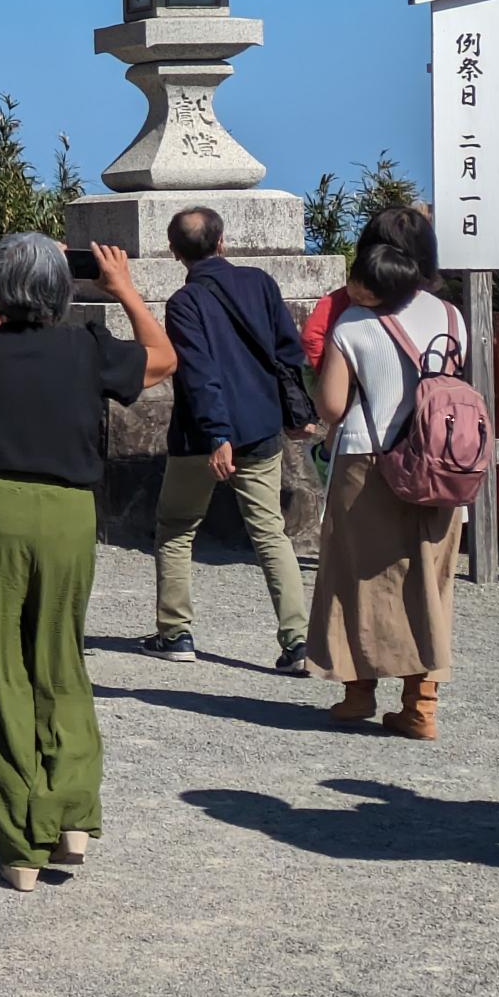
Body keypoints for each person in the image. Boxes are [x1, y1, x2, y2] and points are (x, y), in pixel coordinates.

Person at [0, 233, 170, 891]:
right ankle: (72, 811)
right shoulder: (86, 347)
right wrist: (120, 286)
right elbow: (163, 358)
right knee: (59, 659)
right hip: (69, 510)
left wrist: (13, 277)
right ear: (62, 288)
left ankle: (22, 842)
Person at [309, 206, 464, 740]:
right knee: (428, 580)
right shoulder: (450, 317)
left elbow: (331, 406)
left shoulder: (352, 321)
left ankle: (358, 693)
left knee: (359, 576)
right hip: (442, 464)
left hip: (369, 459)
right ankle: (422, 703)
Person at [144, 207, 312, 674]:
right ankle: (298, 642)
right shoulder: (260, 283)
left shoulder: (184, 303)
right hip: (260, 428)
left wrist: (218, 434)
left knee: (177, 527)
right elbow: (288, 351)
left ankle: (175, 632)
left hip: (201, 435)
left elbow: (200, 373)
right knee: (270, 533)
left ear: (176, 253)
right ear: (222, 242)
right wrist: (300, 411)